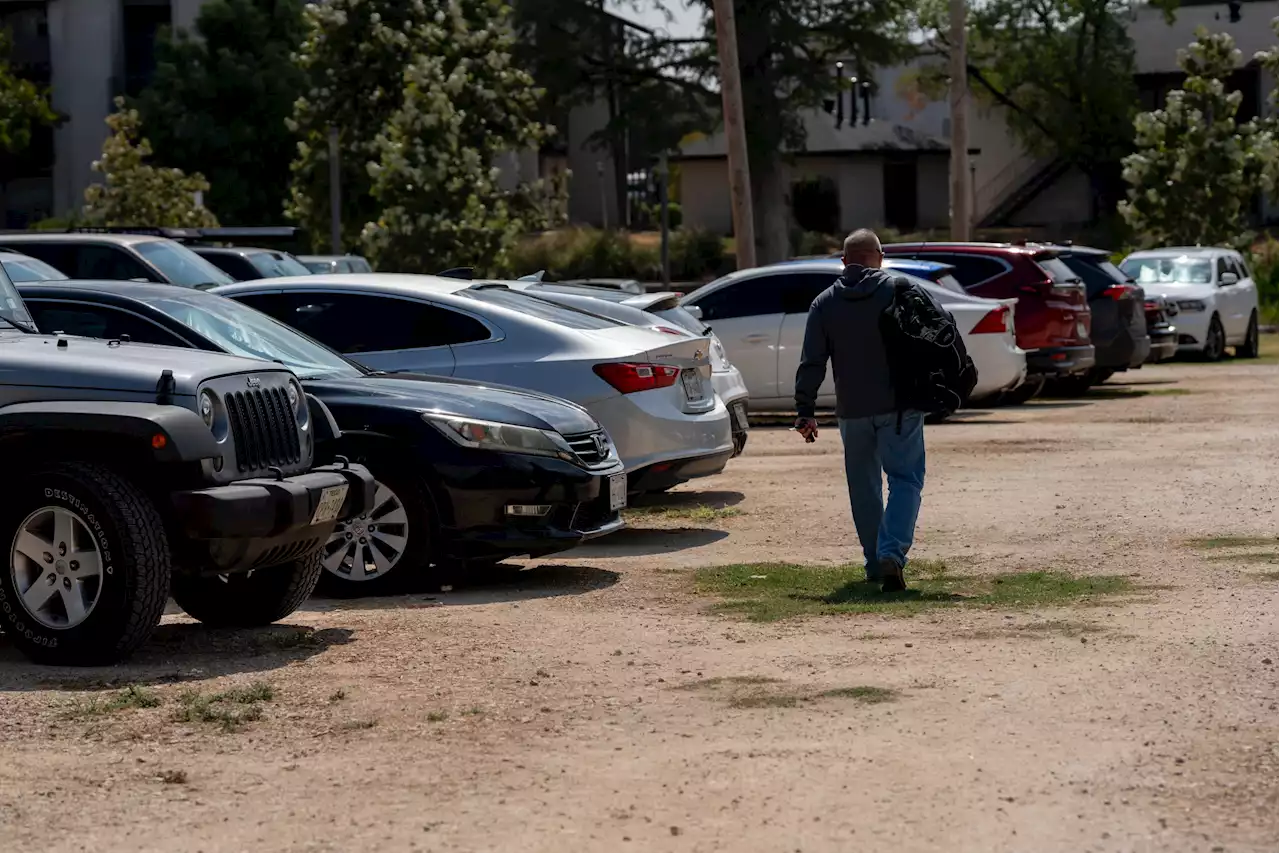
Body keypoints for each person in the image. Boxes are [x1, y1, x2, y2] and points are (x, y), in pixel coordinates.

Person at [793, 228, 925, 593]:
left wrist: (805, 410)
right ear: (879, 258)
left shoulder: (824, 303)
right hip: (899, 407)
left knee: (864, 488)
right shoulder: (899, 290)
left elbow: (812, 363)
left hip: (852, 411)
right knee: (905, 480)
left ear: (843, 261)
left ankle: (874, 563)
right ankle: (892, 554)